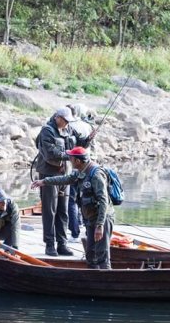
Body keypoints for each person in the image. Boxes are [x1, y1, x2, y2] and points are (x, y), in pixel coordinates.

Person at [32, 147, 114, 269]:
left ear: (77, 161)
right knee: (91, 255)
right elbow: (66, 179)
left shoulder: (96, 175)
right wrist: (44, 181)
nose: (68, 160)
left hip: (102, 219)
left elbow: (104, 201)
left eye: (70, 158)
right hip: (91, 218)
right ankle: (93, 280)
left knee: (102, 255)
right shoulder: (81, 171)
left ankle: (106, 282)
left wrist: (100, 225)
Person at [35, 106, 93, 256]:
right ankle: (49, 245)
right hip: (49, 174)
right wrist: (71, 156)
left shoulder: (69, 130)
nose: (67, 124)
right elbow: (50, 153)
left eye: (69, 121)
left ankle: (62, 244)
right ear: (58, 118)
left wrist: (87, 141)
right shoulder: (46, 131)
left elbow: (79, 145)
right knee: (50, 210)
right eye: (65, 121)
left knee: (63, 210)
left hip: (64, 175)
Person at [66, 103, 94, 243]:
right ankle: (86, 227)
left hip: (75, 167)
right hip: (88, 167)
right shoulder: (87, 126)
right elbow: (90, 146)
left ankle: (75, 233)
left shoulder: (70, 127)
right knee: (86, 198)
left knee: (72, 200)